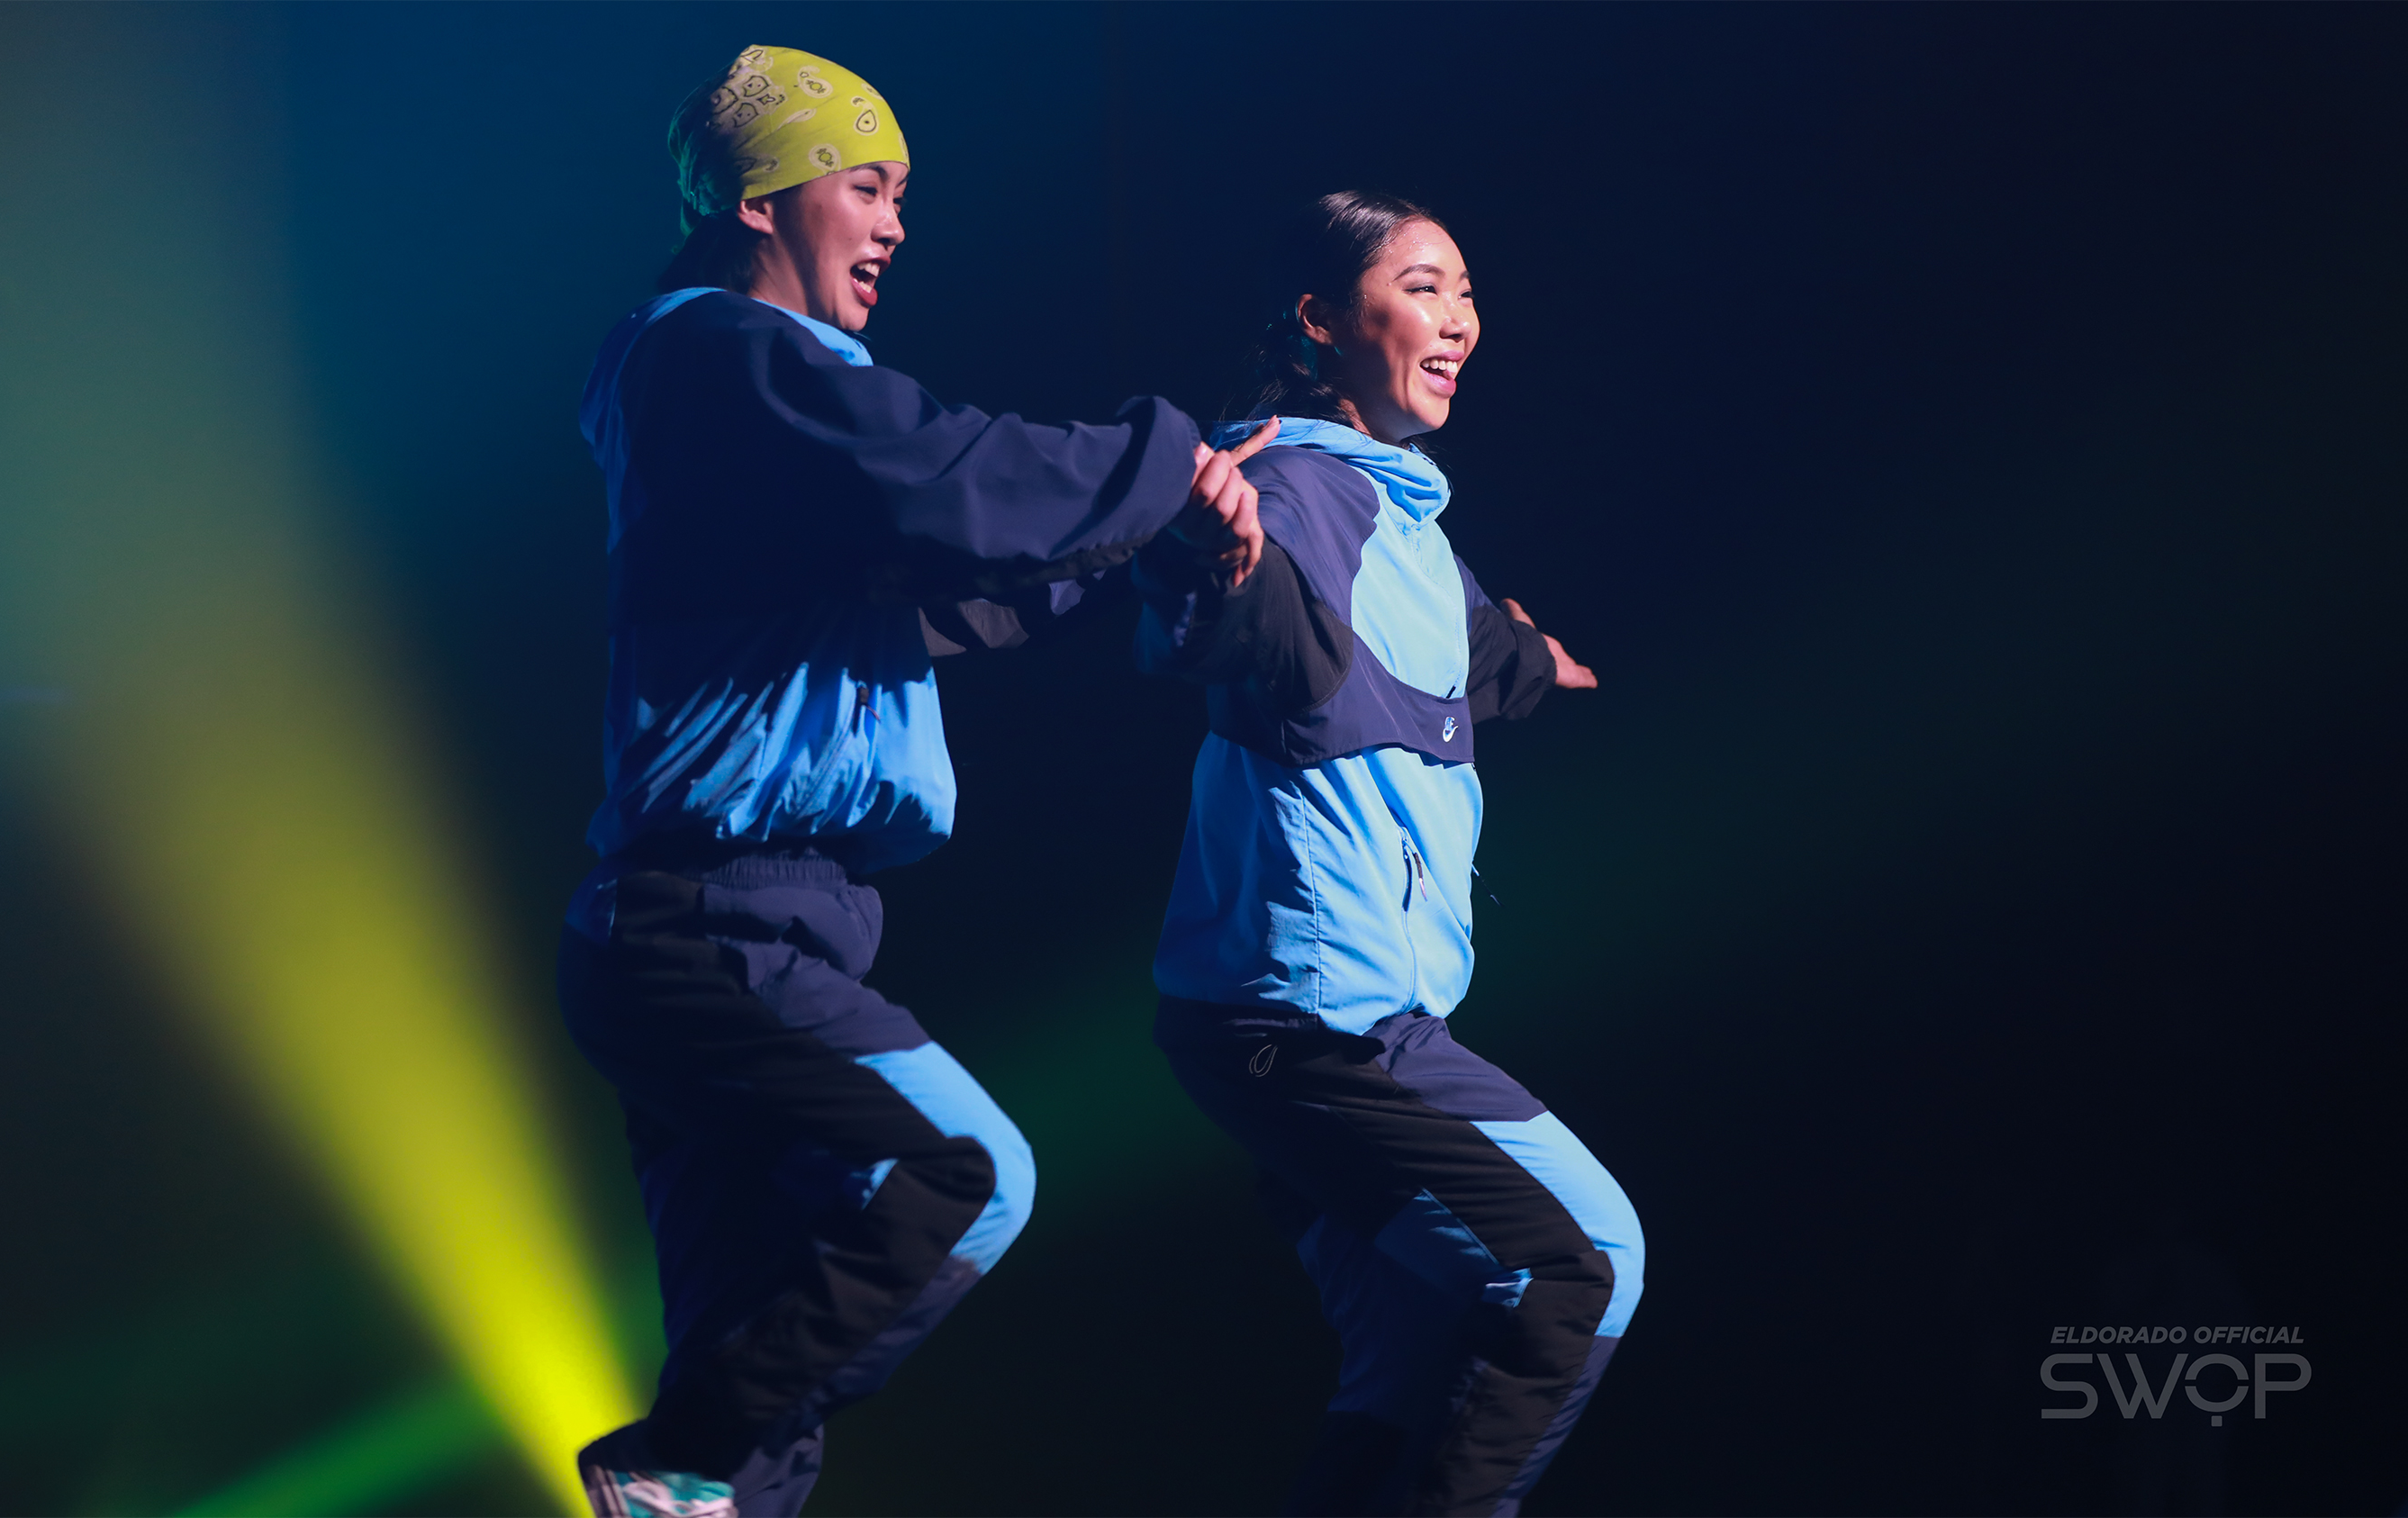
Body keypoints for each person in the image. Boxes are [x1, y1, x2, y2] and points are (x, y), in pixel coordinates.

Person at [559, 44, 1270, 1518]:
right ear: (763, 195)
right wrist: (1165, 456)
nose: (895, 225)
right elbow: (953, 481)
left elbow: (961, 582)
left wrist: (1150, 533)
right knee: (963, 1173)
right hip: (715, 925)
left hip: (733, 926)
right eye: (868, 186)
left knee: (760, 1381)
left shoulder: (747, 419)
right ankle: (673, 1454)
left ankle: (697, 1475)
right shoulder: (724, 354)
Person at [1132, 191, 1643, 1516]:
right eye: (1423, 288)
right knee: (1583, 1262)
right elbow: (1232, 614)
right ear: (1320, 320)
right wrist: (1215, 568)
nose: (1459, 319)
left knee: (1412, 1354)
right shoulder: (1297, 490)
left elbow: (1477, 647)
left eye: (1465, 292)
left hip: (1321, 1024)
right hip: (1315, 1029)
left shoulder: (1407, 524)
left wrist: (1538, 663)